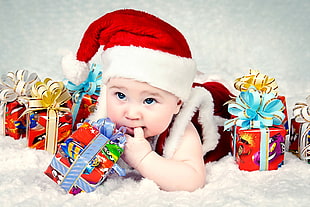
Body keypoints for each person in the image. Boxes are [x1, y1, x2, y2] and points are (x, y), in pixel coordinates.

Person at [62, 9, 234, 192]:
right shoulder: (104, 118)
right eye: (120, 96)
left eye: (149, 100)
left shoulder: (180, 129)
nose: (132, 113)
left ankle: (217, 85)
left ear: (177, 104)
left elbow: (193, 180)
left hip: (213, 112)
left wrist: (143, 159)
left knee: (220, 97)